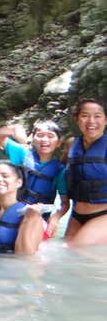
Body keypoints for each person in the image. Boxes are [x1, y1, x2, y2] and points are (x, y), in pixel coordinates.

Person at [0, 120, 70, 237]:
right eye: (39, 135)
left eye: (50, 136)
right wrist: (13, 130)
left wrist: (55, 218)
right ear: (33, 139)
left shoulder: (60, 170)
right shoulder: (22, 153)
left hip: (37, 217)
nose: (44, 140)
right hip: (13, 210)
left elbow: (65, 204)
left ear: (59, 142)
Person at [64, 99, 107, 246]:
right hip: (77, 215)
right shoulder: (71, 144)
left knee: (73, 250)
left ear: (105, 119)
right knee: (66, 257)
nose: (91, 121)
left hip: (104, 215)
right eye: (85, 116)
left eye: (97, 116)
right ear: (76, 119)